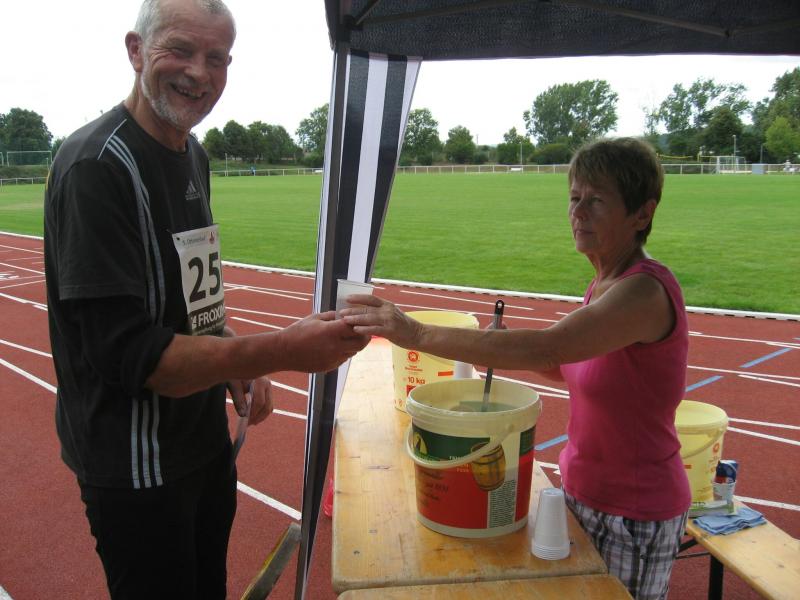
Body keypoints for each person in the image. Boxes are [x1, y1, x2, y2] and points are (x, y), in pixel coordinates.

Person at [43, 1, 368, 598]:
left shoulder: (193, 154)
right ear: (136, 51)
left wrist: (231, 351)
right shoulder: (96, 166)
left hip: (202, 443)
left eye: (216, 58)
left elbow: (195, 299)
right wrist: (278, 351)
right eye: (180, 49)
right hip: (139, 467)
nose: (199, 72)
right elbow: (133, 357)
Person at [342, 137, 691, 600]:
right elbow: (566, 365)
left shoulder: (643, 292)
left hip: (634, 512)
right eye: (574, 197)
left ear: (642, 214)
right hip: (583, 492)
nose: (578, 212)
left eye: (596, 201)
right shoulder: (604, 284)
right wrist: (500, 345)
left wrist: (415, 332)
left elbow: (550, 349)